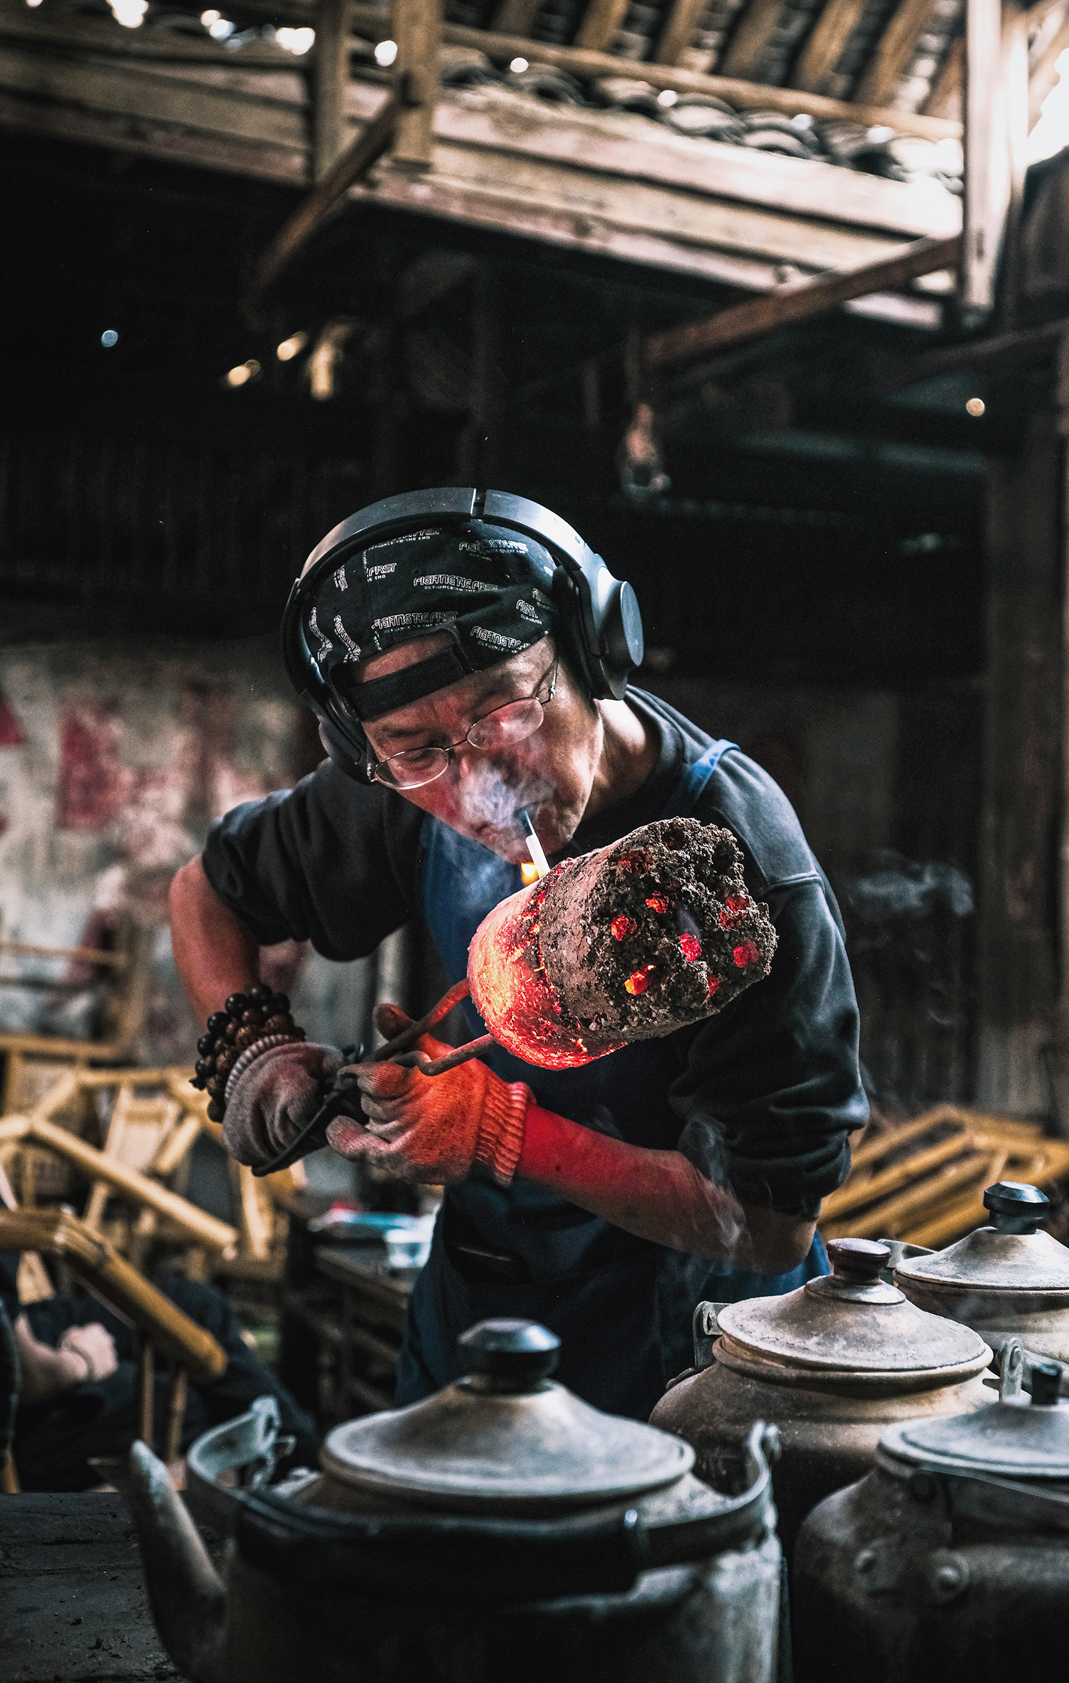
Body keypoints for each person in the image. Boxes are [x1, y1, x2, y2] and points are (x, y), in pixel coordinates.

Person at [168, 489, 867, 1418]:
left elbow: (771, 1225)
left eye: (504, 713)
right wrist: (253, 1047)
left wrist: (503, 1133)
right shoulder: (408, 779)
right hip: (481, 1306)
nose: (477, 786)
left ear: (593, 653)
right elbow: (205, 892)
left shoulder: (735, 873)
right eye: (416, 750)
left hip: (692, 1349)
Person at [0, 1259, 319, 1490]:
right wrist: (80, 1361)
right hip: (20, 1415)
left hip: (22, 1324)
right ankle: (310, 1476)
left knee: (197, 1304)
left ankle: (306, 1465)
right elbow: (29, 1379)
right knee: (208, 1401)